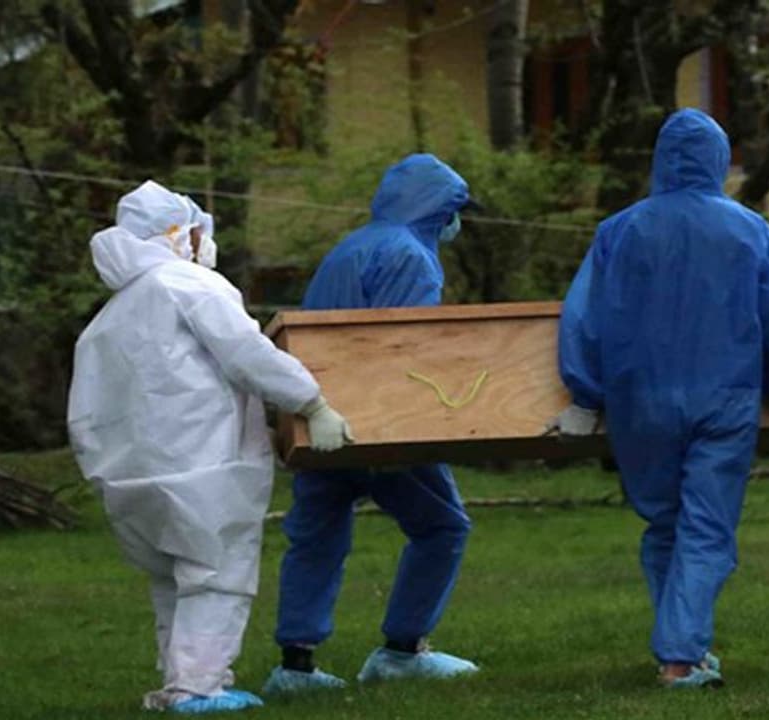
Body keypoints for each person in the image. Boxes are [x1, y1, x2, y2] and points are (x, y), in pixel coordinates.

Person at [553, 108, 769, 688]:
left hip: (639, 401)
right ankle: (680, 656)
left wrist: (585, 394)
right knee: (707, 527)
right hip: (723, 398)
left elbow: (584, 318)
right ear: (720, 160)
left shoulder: (619, 231)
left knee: (665, 523)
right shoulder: (750, 230)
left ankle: (681, 648)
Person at [68, 181, 353, 714]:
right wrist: (311, 403)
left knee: (170, 581)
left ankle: (179, 682)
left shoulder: (109, 317)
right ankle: (198, 689)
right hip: (203, 465)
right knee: (215, 577)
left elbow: (85, 409)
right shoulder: (191, 283)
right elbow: (247, 353)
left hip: (130, 477)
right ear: (179, 234)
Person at [264, 154, 478, 695]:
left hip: (319, 416)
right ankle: (403, 650)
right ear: (438, 208)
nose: (457, 222)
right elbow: (402, 348)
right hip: (377, 423)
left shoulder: (348, 248)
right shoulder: (412, 257)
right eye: (454, 210)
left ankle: (295, 665)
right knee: (443, 527)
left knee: (316, 536)